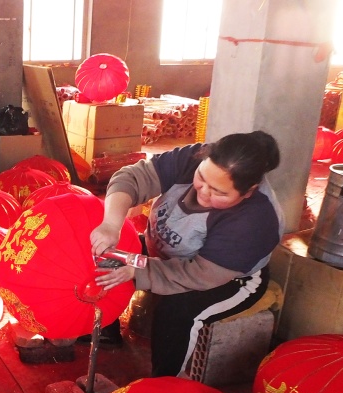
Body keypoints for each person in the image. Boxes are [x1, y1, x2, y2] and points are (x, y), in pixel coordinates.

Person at [90, 130, 284, 377]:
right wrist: (111, 224)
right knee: (106, 259)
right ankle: (104, 330)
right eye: (201, 178)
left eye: (219, 192)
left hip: (227, 278)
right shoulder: (194, 158)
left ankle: (165, 382)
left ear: (248, 192)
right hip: (163, 251)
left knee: (176, 312)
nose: (203, 192)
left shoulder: (255, 220)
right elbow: (134, 177)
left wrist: (139, 271)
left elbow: (201, 274)